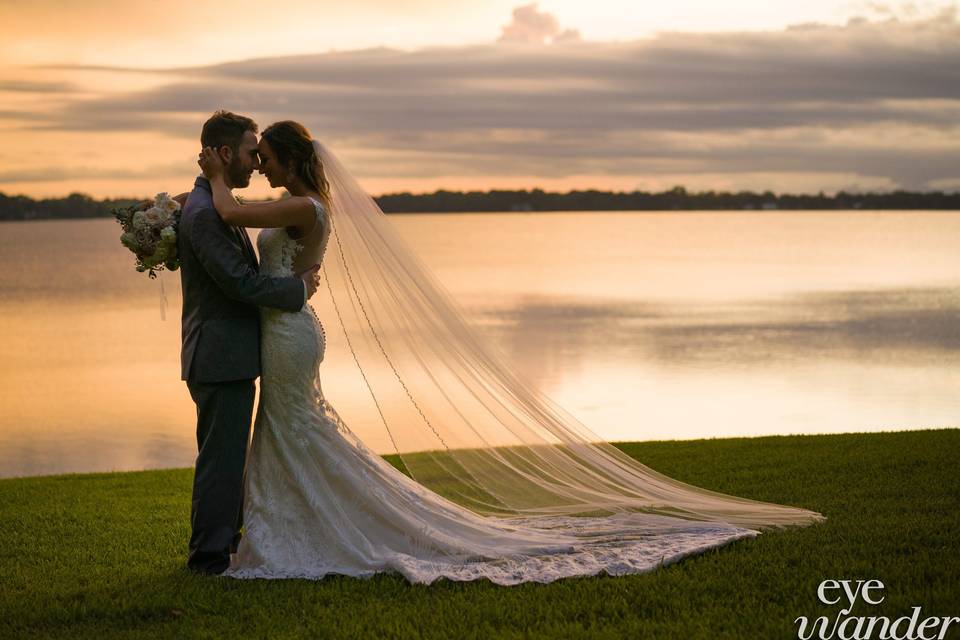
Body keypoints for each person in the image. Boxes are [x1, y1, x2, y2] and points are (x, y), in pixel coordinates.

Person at [194, 117, 826, 586]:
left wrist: (216, 174)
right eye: (258, 157)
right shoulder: (290, 203)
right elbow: (236, 223)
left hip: (290, 335)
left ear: (292, 160)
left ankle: (305, 533)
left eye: (268, 157)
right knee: (288, 430)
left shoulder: (302, 206)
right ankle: (289, 527)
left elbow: (225, 209)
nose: (264, 166)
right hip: (284, 329)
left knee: (296, 428)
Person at [178, 110, 321, 575]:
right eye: (248, 153)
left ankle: (227, 544)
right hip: (221, 357)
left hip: (238, 353)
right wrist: (296, 290)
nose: (255, 164)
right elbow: (241, 283)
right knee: (221, 462)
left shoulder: (215, 206)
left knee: (230, 457)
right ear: (223, 154)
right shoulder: (207, 213)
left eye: (263, 156)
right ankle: (210, 558)